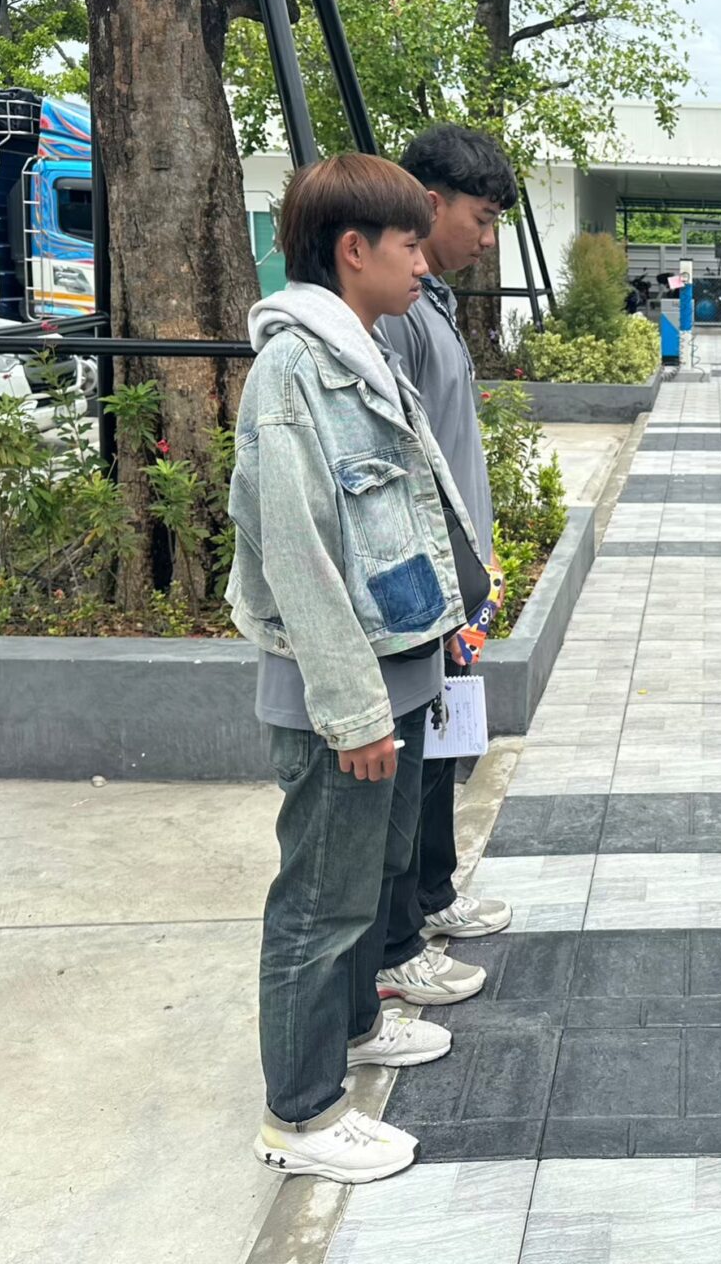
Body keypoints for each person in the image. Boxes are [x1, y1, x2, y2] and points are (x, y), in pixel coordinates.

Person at [229, 154, 485, 1184]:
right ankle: (300, 1115)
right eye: (410, 244)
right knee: (320, 903)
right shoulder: (296, 371)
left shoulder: (364, 348)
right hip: (349, 693)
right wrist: (352, 711)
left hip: (397, 675)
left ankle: (358, 1027)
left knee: (371, 880)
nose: (424, 263)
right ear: (353, 250)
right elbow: (297, 555)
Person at [370, 124, 520, 1008]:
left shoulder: (430, 304)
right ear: (430, 204)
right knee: (411, 763)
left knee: (439, 752)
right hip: (421, 587)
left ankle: (432, 894)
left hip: (454, 580)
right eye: (482, 217)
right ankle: (398, 942)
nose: (488, 238)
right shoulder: (395, 316)